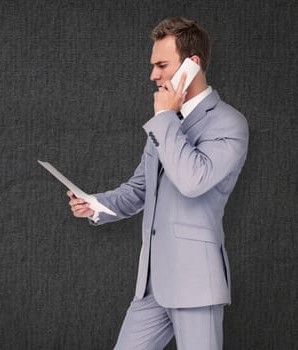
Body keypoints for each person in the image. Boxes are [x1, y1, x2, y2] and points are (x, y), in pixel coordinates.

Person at [67, 17, 248, 350]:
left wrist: (165, 117)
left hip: (196, 285)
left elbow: (193, 180)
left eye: (162, 65)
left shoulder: (229, 122)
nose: (153, 75)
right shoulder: (167, 124)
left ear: (192, 65)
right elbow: (139, 188)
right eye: (153, 66)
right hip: (151, 286)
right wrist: (95, 204)